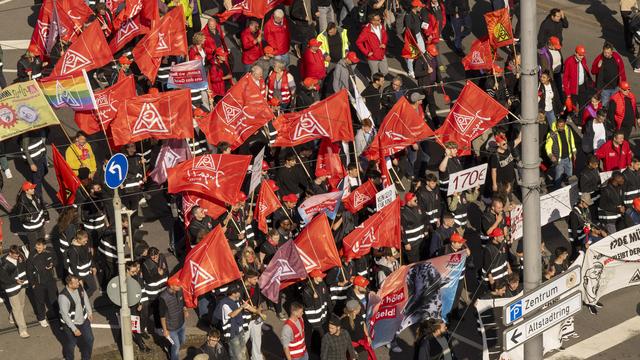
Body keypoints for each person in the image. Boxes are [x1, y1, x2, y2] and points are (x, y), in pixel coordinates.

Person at [59, 275, 94, 360]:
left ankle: (86, 358)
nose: (78, 284)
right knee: (71, 344)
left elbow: (85, 298)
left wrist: (89, 312)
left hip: (84, 320)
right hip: (71, 324)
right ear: (69, 285)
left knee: (90, 339)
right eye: (76, 283)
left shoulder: (80, 288)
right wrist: (74, 329)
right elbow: (65, 315)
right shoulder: (63, 297)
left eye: (78, 281)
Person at [0, 245, 30, 338]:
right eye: (15, 256)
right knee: (17, 309)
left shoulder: (20, 256)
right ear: (10, 254)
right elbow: (3, 278)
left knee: (21, 304)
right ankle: (23, 330)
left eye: (18, 255)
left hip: (22, 284)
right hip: (11, 287)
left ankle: (12, 316)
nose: (17, 257)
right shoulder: (4, 263)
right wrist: (15, 281)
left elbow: (25, 267)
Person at [27, 239, 58, 328]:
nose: (38, 249)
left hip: (50, 280)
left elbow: (56, 260)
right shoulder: (32, 255)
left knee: (54, 299)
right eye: (36, 247)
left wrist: (52, 265)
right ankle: (41, 318)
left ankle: (58, 315)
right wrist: (33, 283)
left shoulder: (50, 251)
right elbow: (29, 270)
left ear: (44, 246)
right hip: (38, 283)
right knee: (40, 301)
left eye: (40, 248)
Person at [159, 277, 188, 360]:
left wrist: (185, 310)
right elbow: (162, 316)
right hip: (171, 327)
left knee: (182, 340)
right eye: (177, 285)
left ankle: (169, 347)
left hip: (181, 323)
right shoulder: (163, 298)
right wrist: (165, 330)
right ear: (171, 286)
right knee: (176, 346)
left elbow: (183, 302)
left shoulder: (180, 290)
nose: (180, 286)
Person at [544, 117, 576, 189]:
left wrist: (574, 151)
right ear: (556, 125)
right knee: (558, 178)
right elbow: (548, 147)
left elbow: (572, 141)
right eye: (559, 126)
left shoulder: (568, 130)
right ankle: (557, 190)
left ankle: (570, 190)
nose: (561, 128)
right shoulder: (551, 134)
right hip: (559, 160)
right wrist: (550, 155)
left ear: (564, 124)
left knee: (569, 177)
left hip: (568, 158)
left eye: (562, 126)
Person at [16, 181, 47, 250]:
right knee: (33, 244)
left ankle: (43, 254)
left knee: (42, 241)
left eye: (33, 188)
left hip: (40, 224)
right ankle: (33, 257)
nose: (33, 189)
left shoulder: (36, 195)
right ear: (26, 191)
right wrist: (29, 218)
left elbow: (42, 206)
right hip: (31, 228)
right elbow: (19, 216)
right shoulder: (21, 202)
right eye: (31, 188)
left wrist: (46, 216)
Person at [65, 230, 97, 297]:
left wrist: (93, 266)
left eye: (86, 240)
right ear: (78, 240)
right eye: (84, 241)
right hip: (79, 273)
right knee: (81, 292)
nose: (86, 242)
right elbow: (73, 266)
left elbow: (90, 256)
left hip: (87, 272)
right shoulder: (72, 250)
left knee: (93, 287)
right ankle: (82, 302)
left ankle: (84, 300)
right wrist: (78, 278)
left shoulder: (86, 244)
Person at [563, 45, 592, 113]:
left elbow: (585, 70)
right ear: (575, 53)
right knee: (572, 104)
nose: (581, 57)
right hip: (573, 88)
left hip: (582, 86)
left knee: (582, 103)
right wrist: (567, 92)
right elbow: (565, 78)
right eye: (580, 55)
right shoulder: (569, 61)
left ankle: (580, 118)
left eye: (582, 55)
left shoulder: (583, 59)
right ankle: (570, 116)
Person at [401, 192, 428, 263]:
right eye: (415, 200)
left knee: (422, 258)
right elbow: (401, 229)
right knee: (414, 261)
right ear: (409, 201)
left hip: (421, 239)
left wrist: (425, 230)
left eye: (417, 200)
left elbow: (424, 219)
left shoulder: (418, 207)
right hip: (412, 243)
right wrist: (406, 243)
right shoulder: (403, 213)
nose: (417, 201)